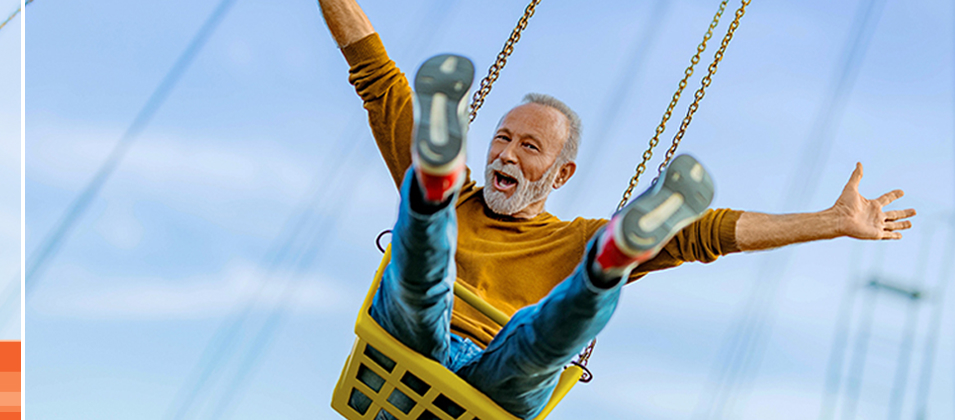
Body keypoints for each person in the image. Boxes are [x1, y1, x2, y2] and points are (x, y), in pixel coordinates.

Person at [317, 2, 916, 418]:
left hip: (490, 390)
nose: (505, 153)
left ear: (562, 174)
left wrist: (831, 222)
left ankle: (609, 261)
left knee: (536, 344)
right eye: (500, 138)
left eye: (530, 148)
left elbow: (701, 233)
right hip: (410, 351)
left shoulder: (570, 237)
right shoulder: (468, 203)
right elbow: (374, 71)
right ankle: (438, 183)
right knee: (425, 280)